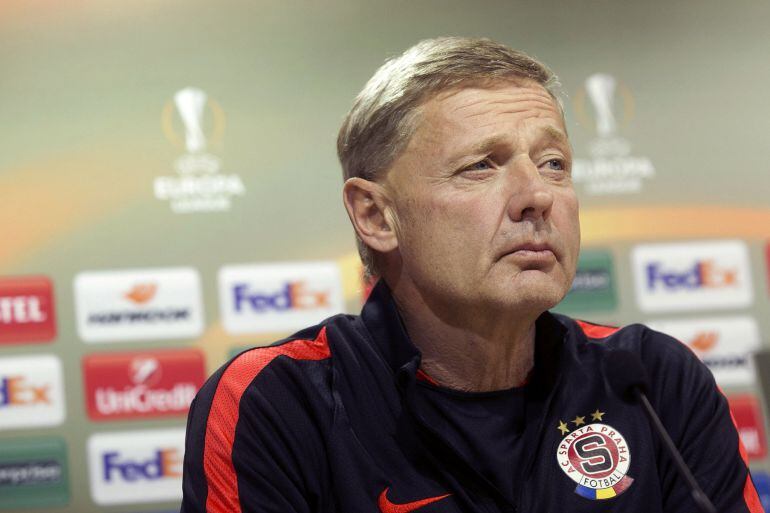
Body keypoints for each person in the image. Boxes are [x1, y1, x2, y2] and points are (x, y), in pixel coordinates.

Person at [181, 37, 762, 513]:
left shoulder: (655, 381)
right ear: (375, 216)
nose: (537, 195)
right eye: (481, 166)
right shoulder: (277, 402)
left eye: (554, 163)